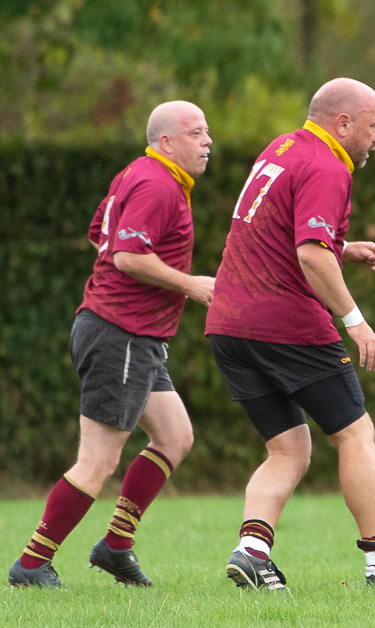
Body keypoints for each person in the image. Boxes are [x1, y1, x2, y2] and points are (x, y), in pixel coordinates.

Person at [206, 78, 375, 590]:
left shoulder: (284, 147)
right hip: (284, 323)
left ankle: (252, 551)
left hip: (228, 324)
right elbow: (308, 254)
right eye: (374, 125)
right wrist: (356, 322)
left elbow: (282, 230)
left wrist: (344, 245)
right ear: (344, 123)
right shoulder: (328, 165)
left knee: (288, 450)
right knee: (355, 433)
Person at [9, 102, 214, 589]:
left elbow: (99, 233)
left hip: (130, 335)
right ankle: (32, 564)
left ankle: (116, 546)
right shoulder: (157, 184)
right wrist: (188, 284)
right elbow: (124, 254)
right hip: (120, 334)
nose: (208, 142)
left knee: (175, 437)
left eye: (208, 133)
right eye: (196, 133)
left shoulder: (138, 174)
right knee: (98, 461)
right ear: (166, 141)